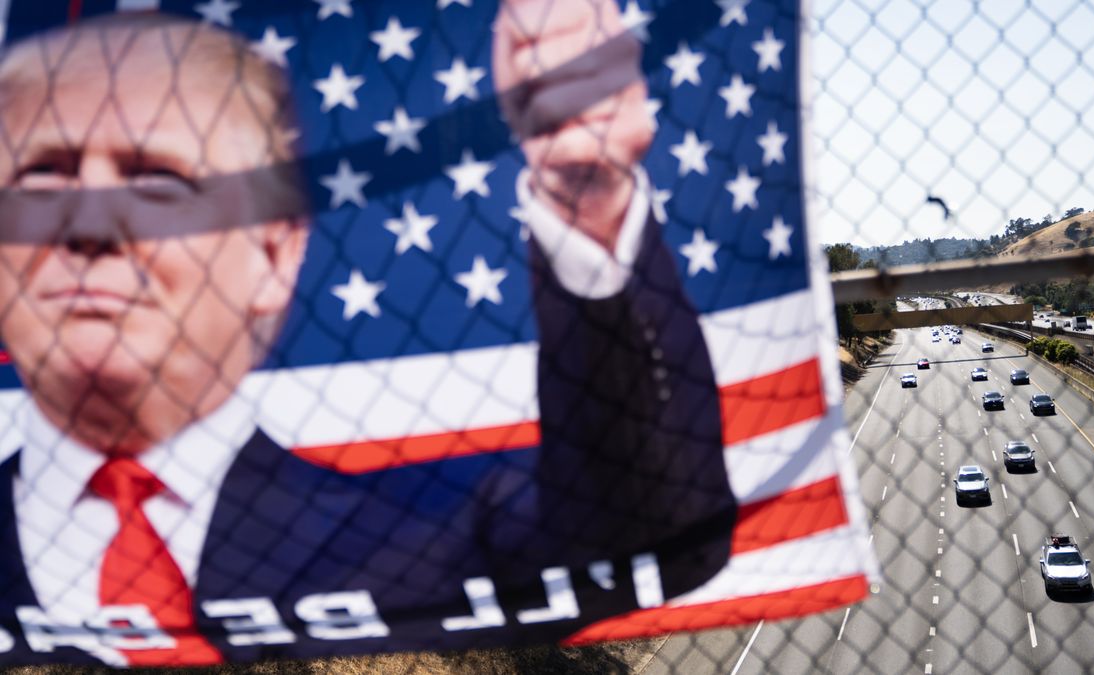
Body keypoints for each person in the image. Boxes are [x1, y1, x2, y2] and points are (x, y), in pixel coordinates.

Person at [0, 1, 735, 667]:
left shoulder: (412, 531)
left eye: (157, 181)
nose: (88, 223)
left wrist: (589, 201)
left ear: (274, 256)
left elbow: (655, 532)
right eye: (40, 180)